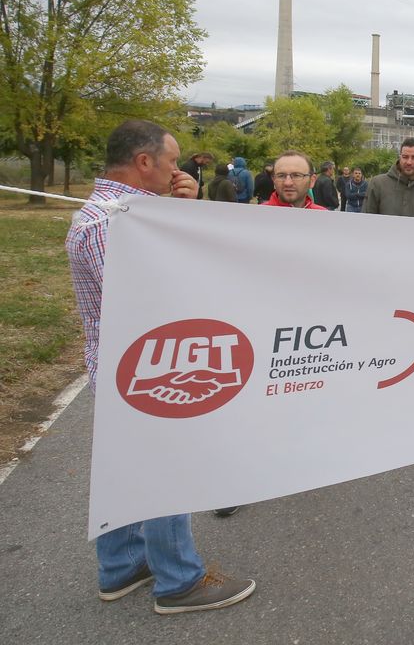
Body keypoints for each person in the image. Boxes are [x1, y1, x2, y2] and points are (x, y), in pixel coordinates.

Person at [65, 120, 256, 615]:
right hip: (145, 373)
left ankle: (122, 564)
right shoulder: (110, 225)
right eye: (172, 161)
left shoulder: (130, 215)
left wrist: (180, 213)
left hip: (127, 367)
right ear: (144, 162)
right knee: (167, 467)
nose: (178, 171)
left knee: (126, 468)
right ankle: (179, 581)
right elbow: (154, 300)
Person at [363, 139, 414, 219]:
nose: (409, 162)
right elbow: (365, 221)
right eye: (405, 157)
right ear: (400, 158)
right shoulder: (378, 184)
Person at [265, 152, 329, 209]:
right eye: (281, 176)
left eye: (296, 175)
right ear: (273, 180)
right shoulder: (258, 215)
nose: (288, 183)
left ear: (312, 181)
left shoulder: (323, 217)